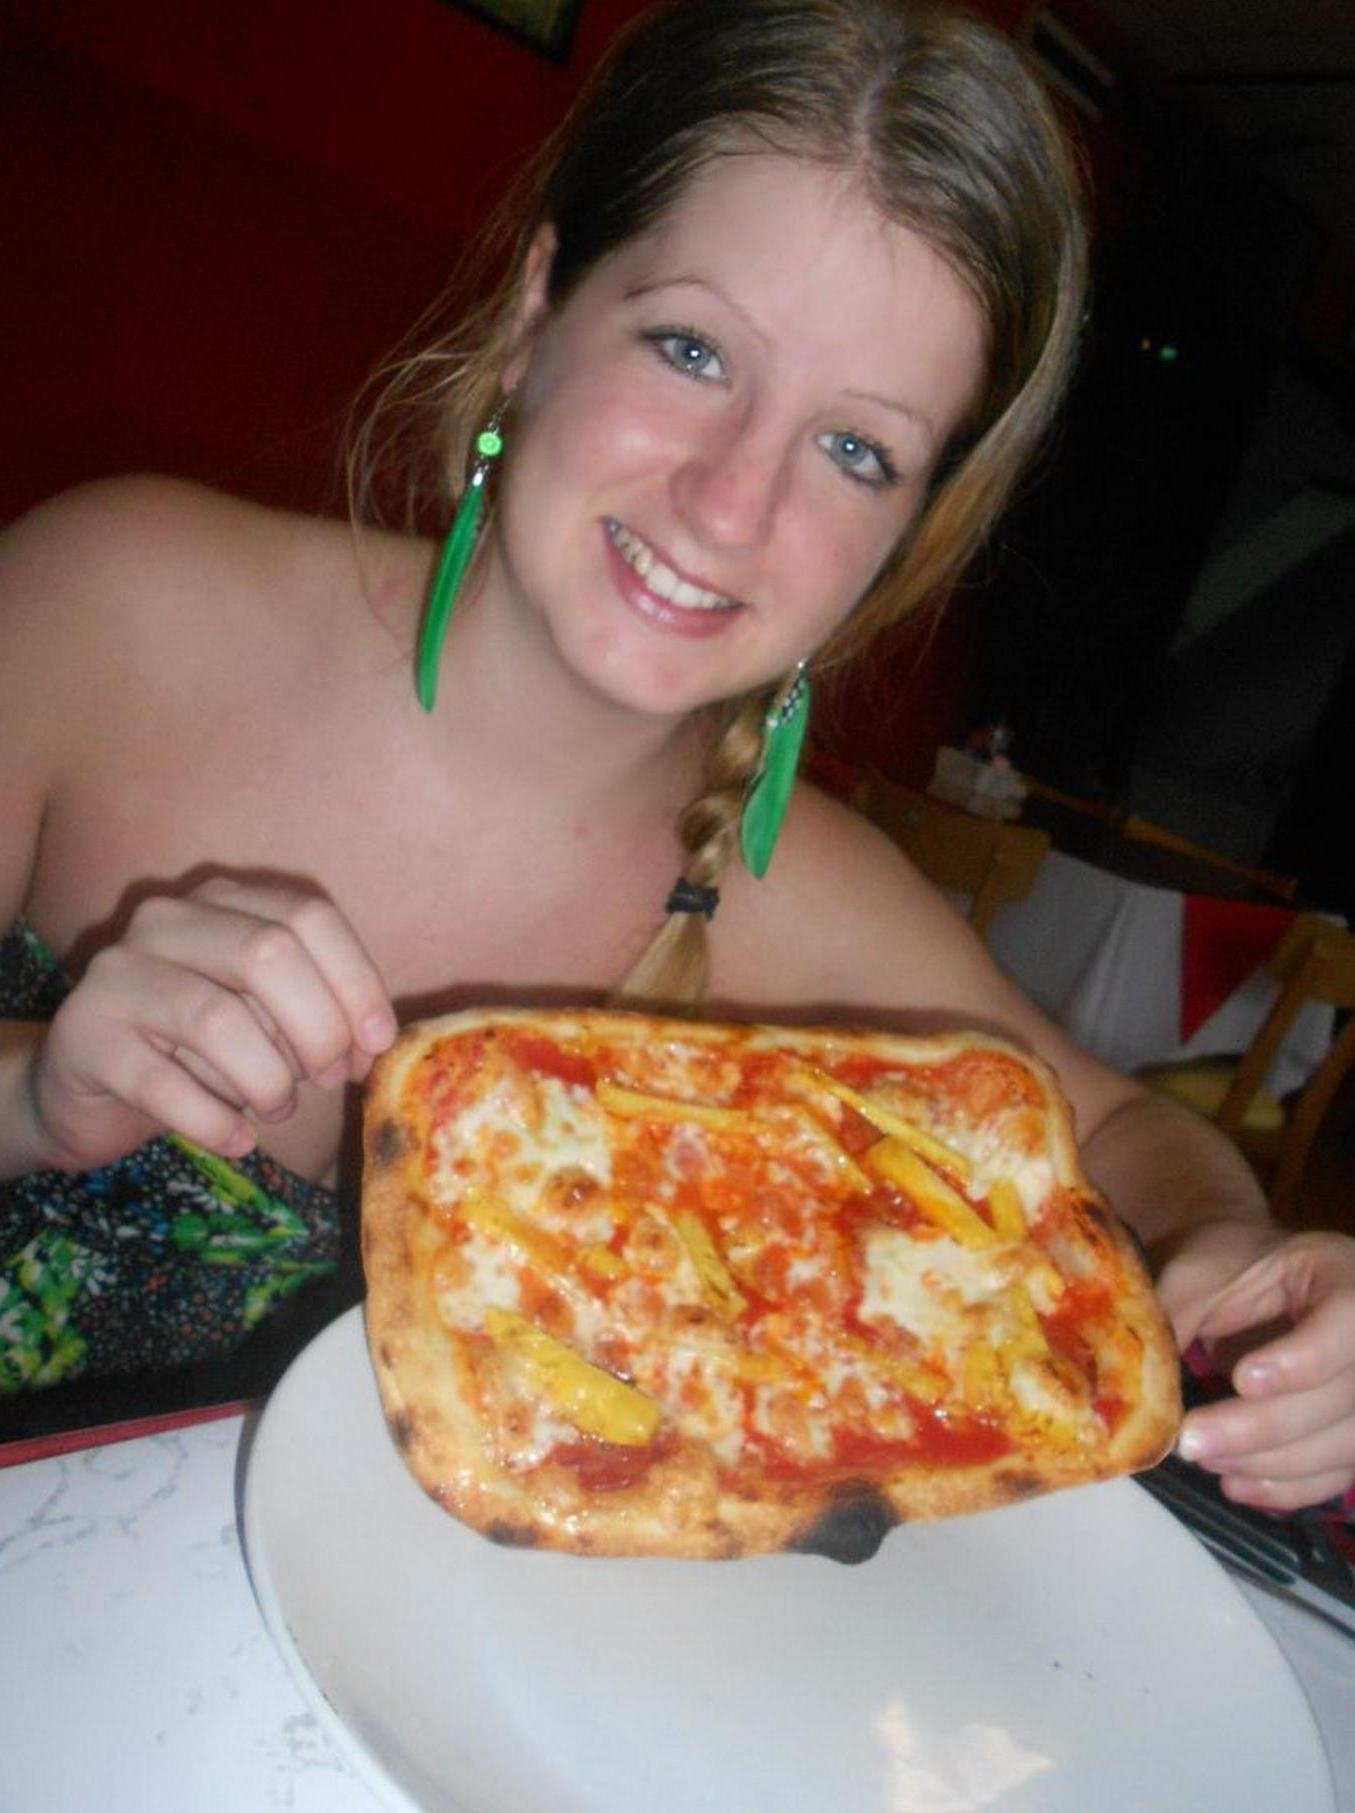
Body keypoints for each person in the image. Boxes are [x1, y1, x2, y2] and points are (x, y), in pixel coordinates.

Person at [1, 0, 1351, 1513]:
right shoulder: (105, 605)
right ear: (537, 318)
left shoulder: (810, 912)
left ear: (905, 536)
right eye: (693, 349)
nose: (732, 504)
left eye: (857, 450)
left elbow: (1127, 1133)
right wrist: (36, 1093)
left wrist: (1236, 1255)